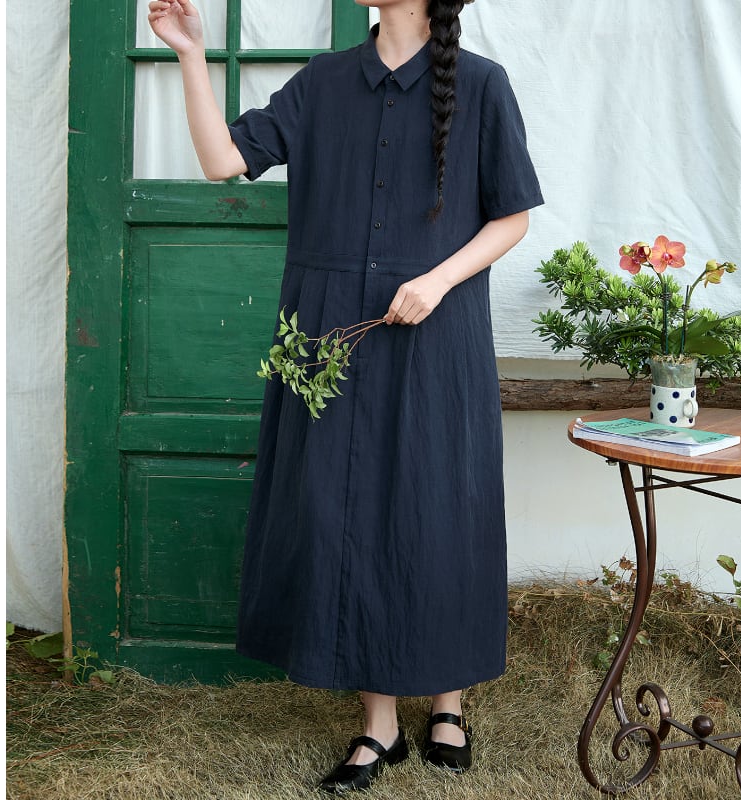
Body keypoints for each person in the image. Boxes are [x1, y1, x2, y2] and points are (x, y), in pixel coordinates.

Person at [148, 0, 543, 793]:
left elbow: (513, 218)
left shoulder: (482, 84)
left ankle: (449, 704)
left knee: (437, 508)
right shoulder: (324, 82)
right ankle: (379, 724)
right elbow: (223, 160)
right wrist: (191, 53)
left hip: (436, 330)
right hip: (333, 333)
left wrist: (436, 280)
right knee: (347, 511)